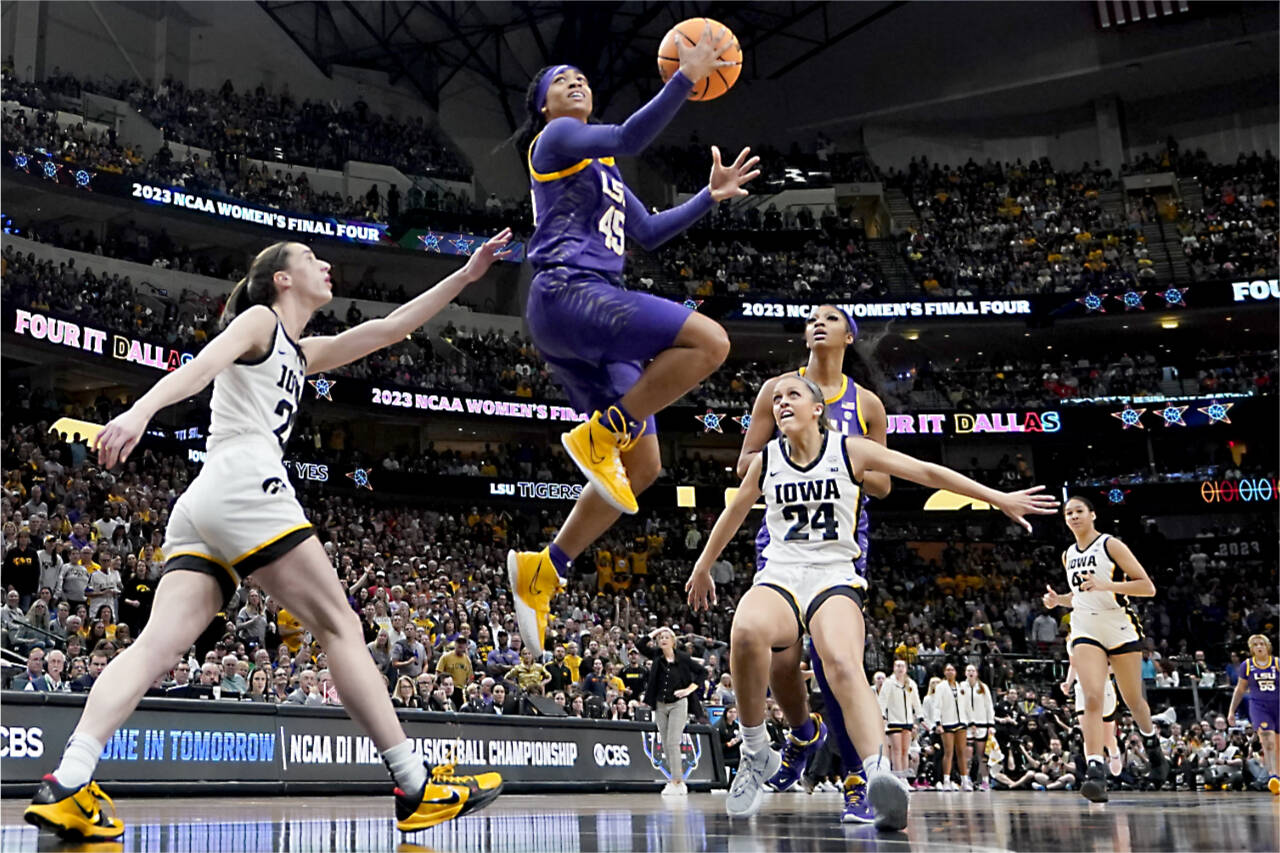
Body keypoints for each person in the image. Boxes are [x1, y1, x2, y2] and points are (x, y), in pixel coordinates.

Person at [24, 237, 511, 841]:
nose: (326, 265)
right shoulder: (258, 321)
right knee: (341, 627)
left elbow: (389, 328)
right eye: (311, 258)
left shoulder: (303, 353)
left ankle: (68, 782)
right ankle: (415, 784)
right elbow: (200, 367)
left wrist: (466, 276)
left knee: (154, 647)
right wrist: (138, 412)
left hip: (205, 500)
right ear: (281, 279)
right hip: (247, 483)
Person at [686, 374, 1058, 828]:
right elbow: (736, 510)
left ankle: (879, 775)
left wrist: (995, 497)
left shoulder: (850, 450)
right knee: (744, 632)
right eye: (777, 397)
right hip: (781, 574)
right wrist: (704, 564)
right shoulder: (767, 459)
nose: (781, 402)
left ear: (817, 408)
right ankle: (755, 751)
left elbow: (925, 471)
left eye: (793, 395)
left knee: (842, 660)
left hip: (834, 575)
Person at [504, 29, 761, 656]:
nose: (576, 82)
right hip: (572, 292)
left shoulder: (604, 170)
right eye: (561, 80)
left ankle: (545, 569)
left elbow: (647, 233)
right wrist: (685, 78)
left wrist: (709, 196)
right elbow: (626, 135)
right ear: (544, 105)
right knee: (711, 342)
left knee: (644, 467)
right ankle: (601, 431)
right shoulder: (557, 139)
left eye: (581, 78)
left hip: (586, 321)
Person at [739, 305, 889, 820]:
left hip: (839, 540)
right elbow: (745, 466)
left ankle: (856, 779)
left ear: (849, 335)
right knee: (779, 660)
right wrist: (794, 451)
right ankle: (804, 735)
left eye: (831, 318)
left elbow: (886, 484)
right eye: (812, 318)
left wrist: (838, 462)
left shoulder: (866, 403)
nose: (818, 323)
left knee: (835, 665)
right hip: (781, 539)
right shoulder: (779, 390)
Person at [1043, 495, 1170, 804]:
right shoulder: (1067, 554)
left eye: (1078, 511)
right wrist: (1058, 600)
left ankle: (1153, 747)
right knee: (1092, 695)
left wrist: (1107, 585)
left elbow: (1147, 587)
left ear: (1093, 515)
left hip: (1119, 625)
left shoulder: (1111, 545)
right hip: (1085, 627)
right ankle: (1095, 771)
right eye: (1068, 513)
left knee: (1133, 699)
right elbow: (1081, 596)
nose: (1073, 516)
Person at [636, 626, 706, 797]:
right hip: (660, 704)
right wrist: (658, 629)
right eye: (661, 638)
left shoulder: (683, 658)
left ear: (673, 641)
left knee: (673, 741)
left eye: (667, 637)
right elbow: (640, 643)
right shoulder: (657, 657)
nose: (663, 639)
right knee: (666, 743)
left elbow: (702, 672)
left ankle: (678, 781)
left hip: (678, 704)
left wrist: (688, 690)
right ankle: (674, 780)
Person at [1227, 634, 1279, 794]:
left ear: (1267, 646)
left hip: (1277, 705)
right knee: (1268, 740)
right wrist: (1231, 711)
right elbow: (1240, 689)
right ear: (1251, 649)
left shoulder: (1276, 663)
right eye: (1255, 644)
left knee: (1277, 743)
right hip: (1259, 706)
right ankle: (1273, 776)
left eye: (1261, 643)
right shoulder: (1247, 665)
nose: (1259, 646)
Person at [1062, 657, 1123, 779]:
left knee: (1106, 737)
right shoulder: (1072, 642)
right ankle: (1094, 767)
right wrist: (1068, 683)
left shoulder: (1104, 641)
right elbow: (1074, 665)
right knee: (1088, 733)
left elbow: (1118, 666)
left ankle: (1114, 752)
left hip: (1103, 688)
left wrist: (1101, 671)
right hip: (1082, 690)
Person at [879, 659, 921, 782]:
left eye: (902, 666)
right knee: (896, 750)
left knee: (905, 750)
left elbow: (916, 701)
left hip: (907, 721)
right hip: (894, 720)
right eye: (897, 666)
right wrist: (882, 715)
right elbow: (882, 700)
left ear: (906, 669)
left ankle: (905, 778)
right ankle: (898, 777)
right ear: (893, 668)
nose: (900, 668)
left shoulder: (911, 684)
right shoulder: (888, 683)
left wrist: (920, 716)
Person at [929, 663, 968, 792]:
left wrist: (969, 721)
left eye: (952, 669)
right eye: (947, 670)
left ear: (956, 672)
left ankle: (964, 780)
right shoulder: (941, 687)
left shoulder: (961, 686)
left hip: (961, 722)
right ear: (944, 673)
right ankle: (946, 779)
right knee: (948, 752)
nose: (950, 672)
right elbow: (937, 705)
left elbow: (966, 705)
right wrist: (938, 723)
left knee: (962, 752)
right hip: (947, 722)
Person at [961, 664, 995, 792]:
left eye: (973, 670)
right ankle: (966, 780)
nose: (970, 672)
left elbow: (989, 707)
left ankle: (985, 781)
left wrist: (991, 724)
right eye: (968, 670)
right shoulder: (961, 687)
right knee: (968, 755)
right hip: (967, 726)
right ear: (965, 673)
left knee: (982, 756)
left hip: (982, 725)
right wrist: (968, 722)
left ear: (976, 673)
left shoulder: (983, 687)